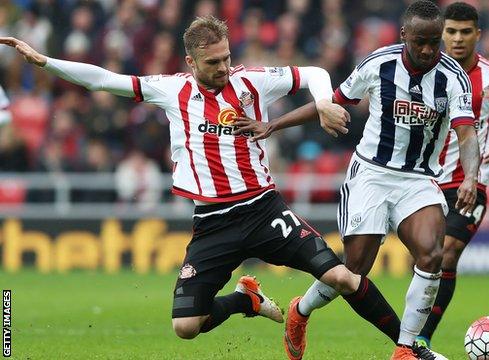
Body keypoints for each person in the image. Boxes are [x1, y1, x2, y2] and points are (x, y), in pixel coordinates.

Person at [0, 16, 403, 353]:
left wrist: (324, 102)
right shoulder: (172, 89)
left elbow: (314, 73)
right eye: (213, 62)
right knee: (186, 327)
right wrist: (44, 62)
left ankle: (408, 348)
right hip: (213, 224)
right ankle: (246, 301)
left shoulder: (253, 81)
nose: (224, 67)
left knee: (343, 278)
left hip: (264, 209)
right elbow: (103, 80)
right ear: (191, 62)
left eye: (227, 57)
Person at [235, 2, 480, 359]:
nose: (428, 50)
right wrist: (273, 125)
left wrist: (471, 176)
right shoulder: (378, 64)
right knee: (354, 269)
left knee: (432, 255)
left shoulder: (453, 77)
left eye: (434, 42)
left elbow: (466, 133)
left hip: (418, 179)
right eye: (420, 41)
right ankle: (300, 310)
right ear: (404, 36)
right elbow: (332, 103)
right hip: (371, 175)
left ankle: (406, 348)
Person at [413, 2, 489, 349]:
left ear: (478, 34)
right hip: (422, 181)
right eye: (451, 32)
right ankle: (410, 331)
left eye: (465, 32)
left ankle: (420, 338)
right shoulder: (422, 73)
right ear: (441, 33)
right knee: (426, 258)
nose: (457, 39)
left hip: (470, 184)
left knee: (447, 253)